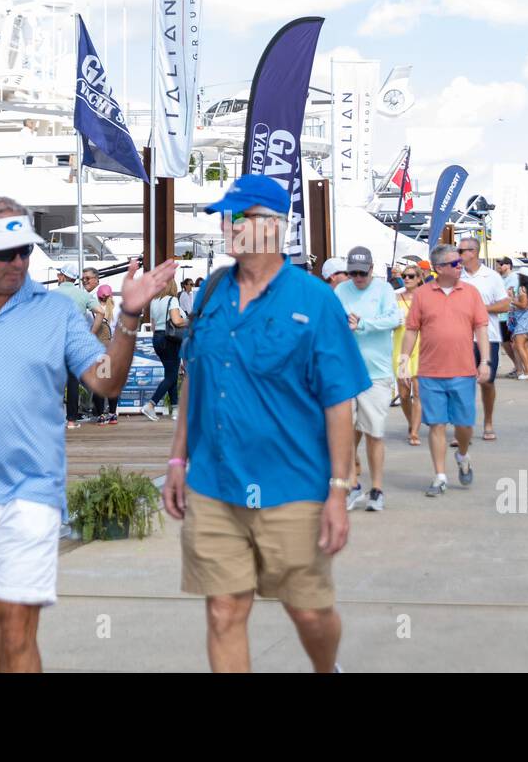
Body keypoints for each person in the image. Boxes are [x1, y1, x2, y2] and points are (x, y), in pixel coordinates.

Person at [0, 196, 175, 673]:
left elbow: (106, 381)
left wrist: (128, 319)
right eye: (6, 252)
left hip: (34, 491)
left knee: (16, 628)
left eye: (25, 250)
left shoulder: (56, 313)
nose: (19, 261)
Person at [161, 174, 368, 673]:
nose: (230, 227)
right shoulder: (210, 293)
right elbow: (196, 380)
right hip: (214, 483)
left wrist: (339, 490)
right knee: (224, 608)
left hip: (293, 485)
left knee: (309, 611)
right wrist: (177, 457)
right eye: (227, 218)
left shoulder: (316, 301)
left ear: (276, 227)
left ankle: (326, 666)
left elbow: (339, 401)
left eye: (242, 218)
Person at [398, 244, 491, 497]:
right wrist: (404, 360)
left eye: (459, 262)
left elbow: (481, 329)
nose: (460, 265)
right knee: (436, 424)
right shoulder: (423, 294)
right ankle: (439, 475)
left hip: (463, 370)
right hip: (430, 372)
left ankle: (462, 454)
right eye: (454, 263)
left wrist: (485, 361)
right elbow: (411, 329)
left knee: (464, 425)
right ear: (439, 268)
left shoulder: (471, 293)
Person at [335, 246, 403, 512]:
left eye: (362, 273)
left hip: (377, 374)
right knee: (346, 432)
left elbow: (394, 320)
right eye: (353, 273)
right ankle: (353, 485)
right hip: (347, 372)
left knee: (374, 432)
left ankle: (377, 488)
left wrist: (363, 324)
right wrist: (344, 323)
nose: (358, 277)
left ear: (372, 270)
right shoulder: (341, 291)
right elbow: (332, 321)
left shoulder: (384, 289)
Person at [458, 237, 509, 441]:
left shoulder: (492, 276)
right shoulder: (456, 276)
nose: (458, 254)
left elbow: (505, 304)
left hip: (488, 337)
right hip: (461, 337)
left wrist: (480, 310)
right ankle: (464, 427)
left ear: (474, 252)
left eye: (462, 251)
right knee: (463, 383)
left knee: (486, 381)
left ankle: (488, 421)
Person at [55, 263, 103, 428]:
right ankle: (71, 420)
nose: (57, 277)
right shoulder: (83, 295)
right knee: (73, 381)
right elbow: (101, 312)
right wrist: (92, 332)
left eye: (59, 274)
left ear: (63, 277)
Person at [144, 279, 188, 422]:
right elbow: (176, 321)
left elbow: (153, 324)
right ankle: (151, 404)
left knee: (170, 373)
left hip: (157, 338)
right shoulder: (173, 300)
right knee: (171, 375)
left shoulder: (154, 301)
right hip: (170, 339)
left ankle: (175, 408)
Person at [393, 265, 424, 445]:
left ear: (419, 278)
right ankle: (411, 422)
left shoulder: (425, 298)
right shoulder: (395, 297)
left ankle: (414, 431)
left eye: (411, 276)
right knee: (404, 394)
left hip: (421, 346)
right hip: (400, 344)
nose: (407, 279)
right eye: (404, 276)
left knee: (418, 392)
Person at [91, 283, 121, 425]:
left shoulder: (93, 311)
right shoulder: (117, 311)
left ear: (98, 297)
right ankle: (113, 414)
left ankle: (101, 415)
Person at [496, 257, 522, 376]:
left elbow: (509, 294)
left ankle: (521, 367)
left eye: (500, 264)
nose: (498, 267)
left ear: (507, 265)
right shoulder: (499, 278)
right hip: (501, 316)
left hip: (511, 315)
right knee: (505, 343)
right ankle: (517, 366)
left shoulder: (514, 278)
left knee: (514, 343)